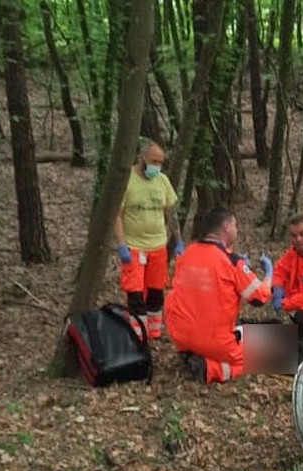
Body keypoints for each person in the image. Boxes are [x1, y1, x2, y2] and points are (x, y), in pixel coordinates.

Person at [164, 206, 275, 384]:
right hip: (213, 341)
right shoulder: (231, 261)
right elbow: (259, 298)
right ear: (226, 226)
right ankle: (211, 368)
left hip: (180, 335)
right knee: (278, 350)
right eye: (235, 225)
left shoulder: (187, 254)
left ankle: (194, 353)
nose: (236, 230)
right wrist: (269, 274)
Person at [114, 140, 183, 340]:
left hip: (158, 246)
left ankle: (154, 332)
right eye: (154, 161)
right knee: (135, 293)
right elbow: (116, 214)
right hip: (134, 247)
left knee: (156, 291)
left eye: (160, 162)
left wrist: (178, 240)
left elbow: (171, 213)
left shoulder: (162, 181)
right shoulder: (127, 180)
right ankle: (138, 334)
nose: (157, 166)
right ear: (141, 158)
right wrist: (121, 244)